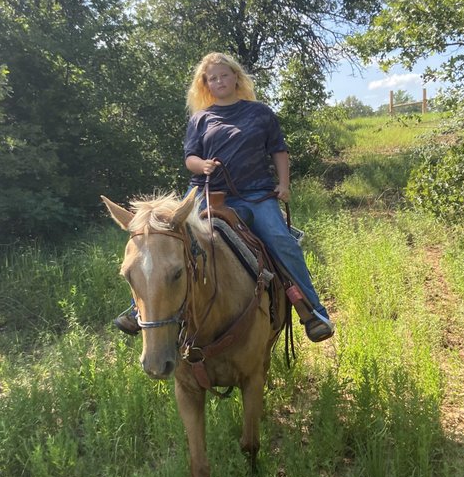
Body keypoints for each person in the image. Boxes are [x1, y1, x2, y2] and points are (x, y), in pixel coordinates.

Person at [114, 51, 334, 342]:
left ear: (236, 77)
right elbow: (190, 157)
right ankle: (136, 310)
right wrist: (202, 165)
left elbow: (279, 150)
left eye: (224, 75)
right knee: (159, 238)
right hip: (206, 192)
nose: (219, 81)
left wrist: (284, 184)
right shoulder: (201, 118)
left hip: (256, 193)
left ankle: (313, 312)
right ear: (205, 84)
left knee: (281, 241)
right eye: (212, 78)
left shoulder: (260, 113)